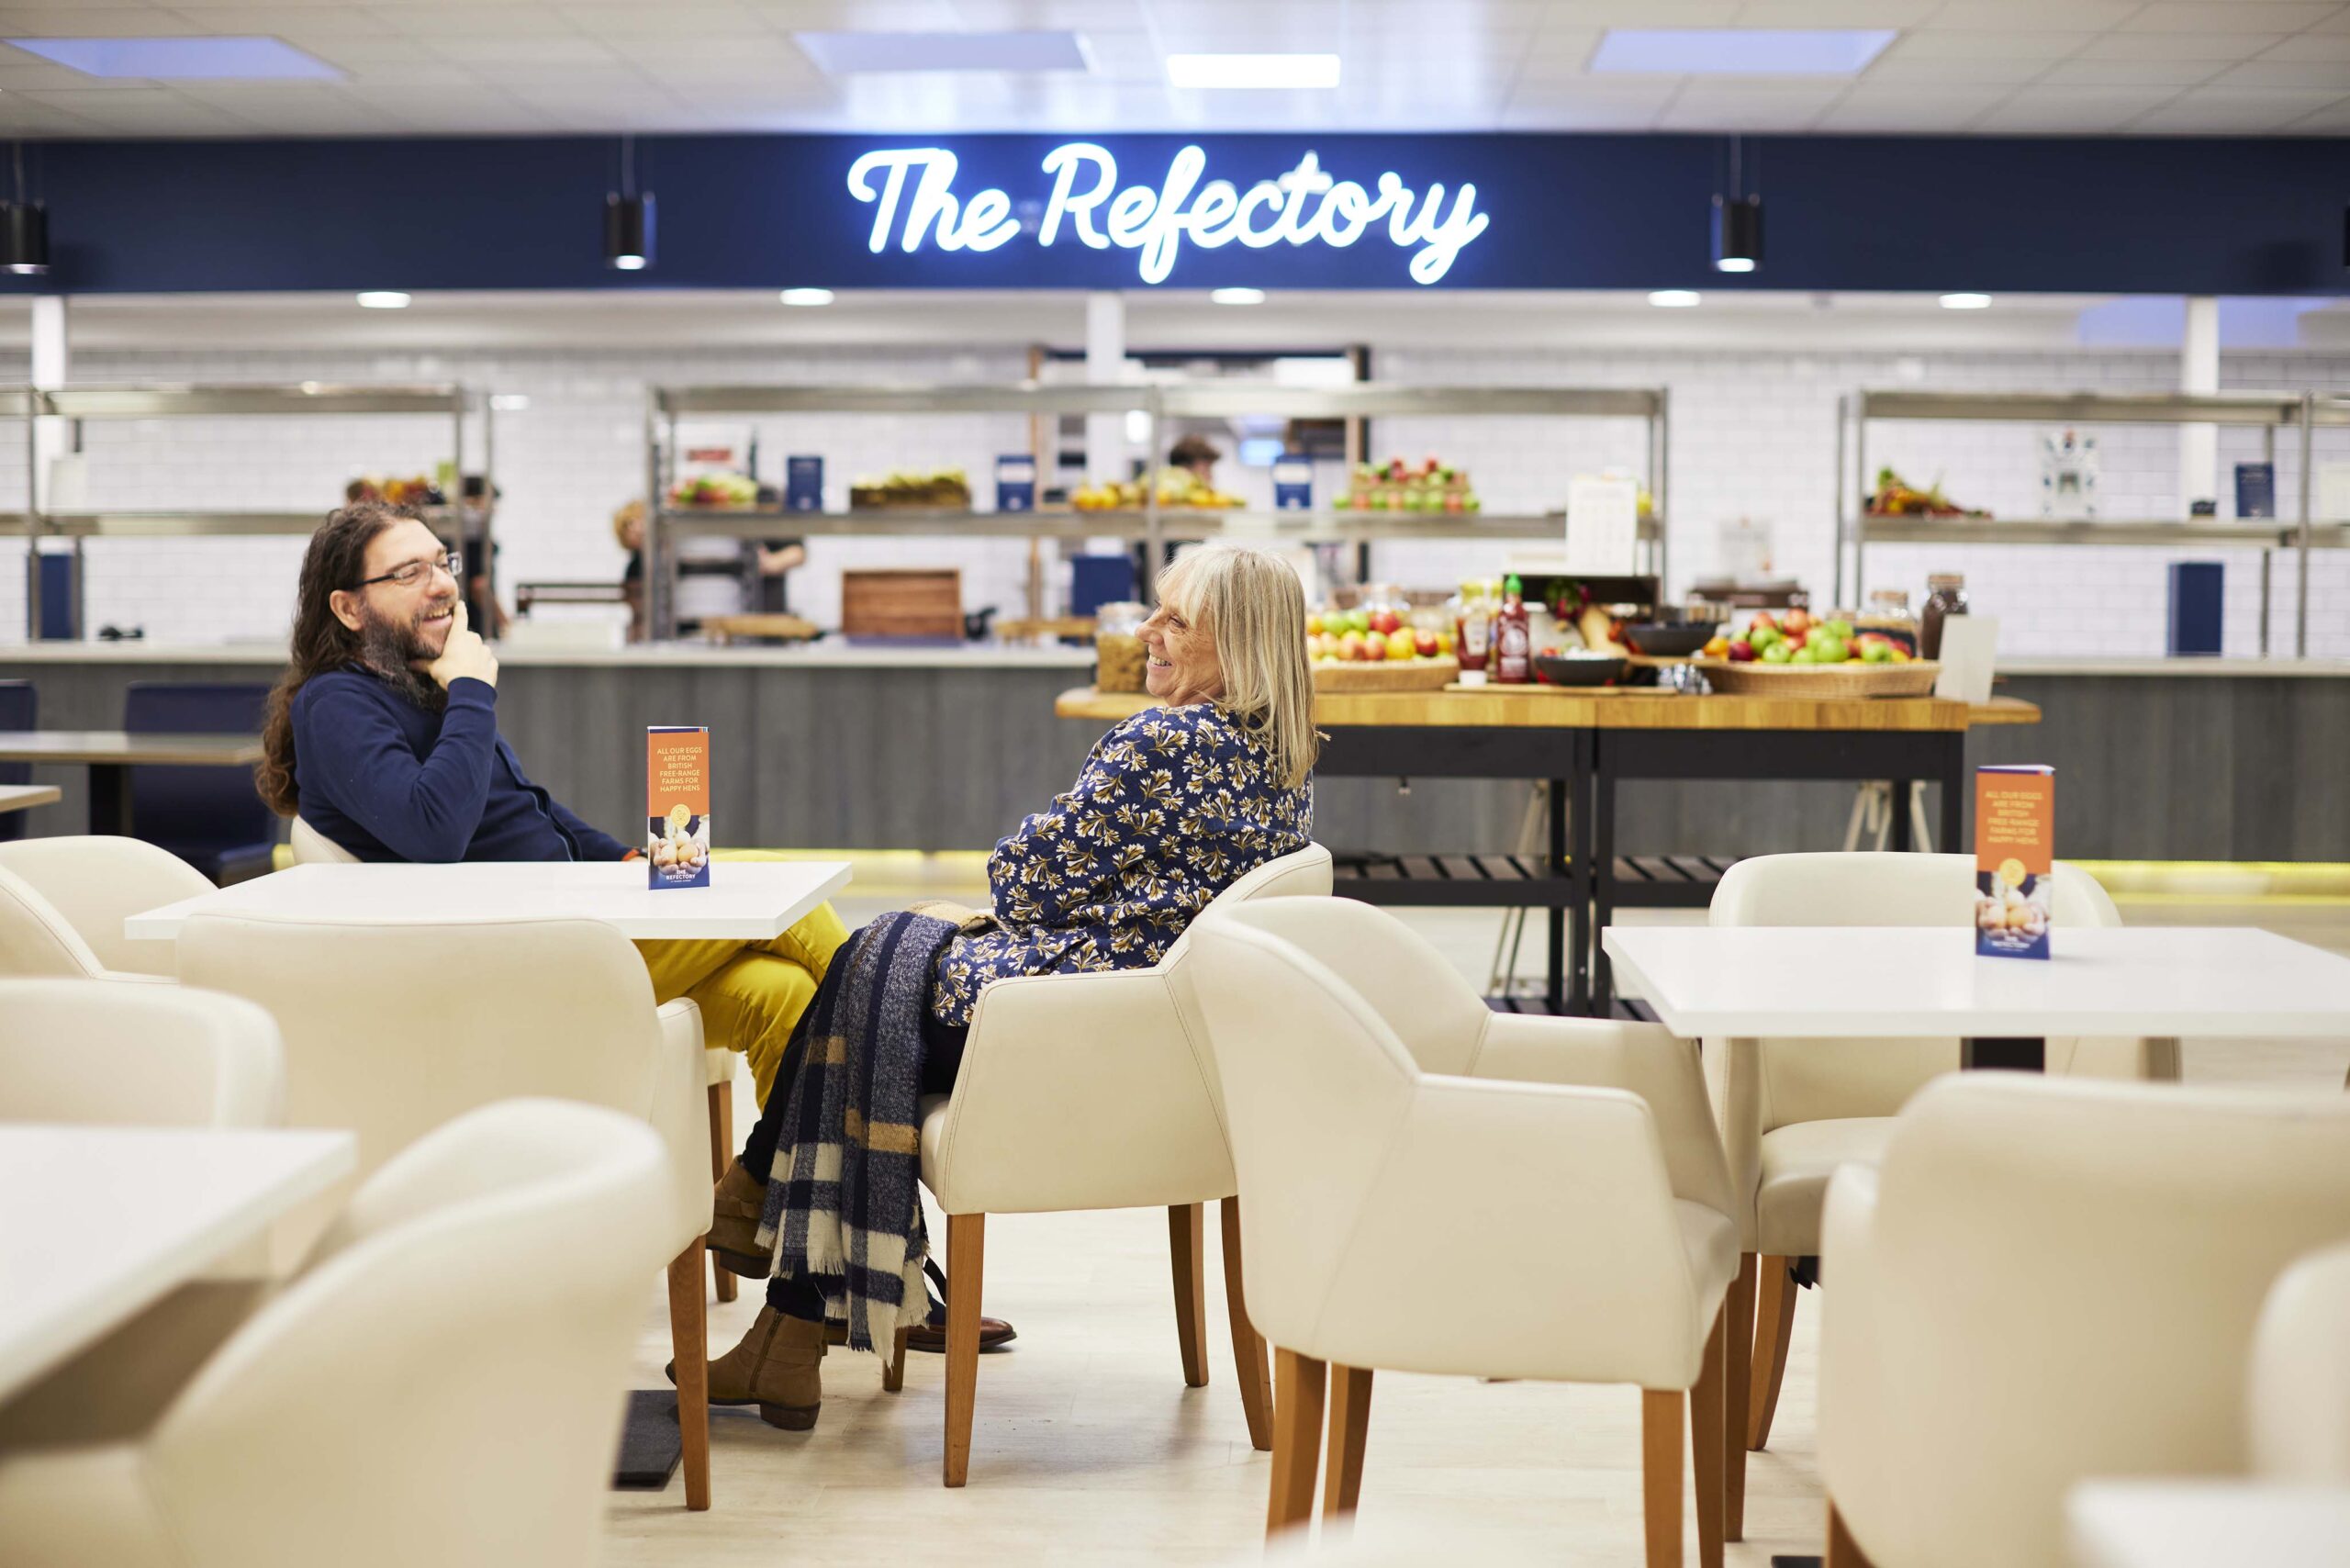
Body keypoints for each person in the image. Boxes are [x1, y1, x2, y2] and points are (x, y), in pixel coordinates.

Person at [693, 542, 1317, 1430]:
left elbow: (1023, 881)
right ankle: (781, 1336)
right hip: (1160, 1038)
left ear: (1242, 646)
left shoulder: (1165, 740)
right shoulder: (1281, 759)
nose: (1148, 631)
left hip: (1065, 1022)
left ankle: (754, 1200)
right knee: (876, 959)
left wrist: (1025, 855)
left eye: (1177, 620)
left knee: (872, 965)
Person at [257, 501, 846, 1106]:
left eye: (441, 562)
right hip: (519, 961)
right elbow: (434, 834)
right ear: (348, 607)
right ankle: (917, 1046)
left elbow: (529, 809)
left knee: (784, 993)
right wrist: (469, 689)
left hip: (571, 920)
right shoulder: (336, 704)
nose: (441, 585)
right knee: (780, 894)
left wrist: (618, 858)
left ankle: (766, 1192)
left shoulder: (420, 684)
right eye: (408, 573)